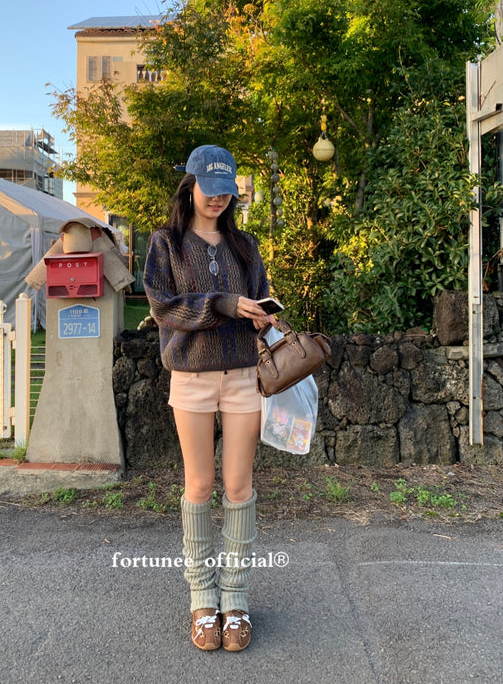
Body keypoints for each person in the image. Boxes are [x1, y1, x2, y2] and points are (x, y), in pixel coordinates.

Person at [144, 144, 275, 652]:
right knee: (199, 485)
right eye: (210, 189)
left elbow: (259, 294)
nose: (219, 199)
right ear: (191, 185)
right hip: (192, 378)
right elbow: (162, 308)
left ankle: (236, 598)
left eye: (227, 191)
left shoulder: (245, 245)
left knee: (239, 487)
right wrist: (221, 303)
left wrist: (261, 313)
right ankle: (203, 598)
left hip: (244, 374)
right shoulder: (166, 243)